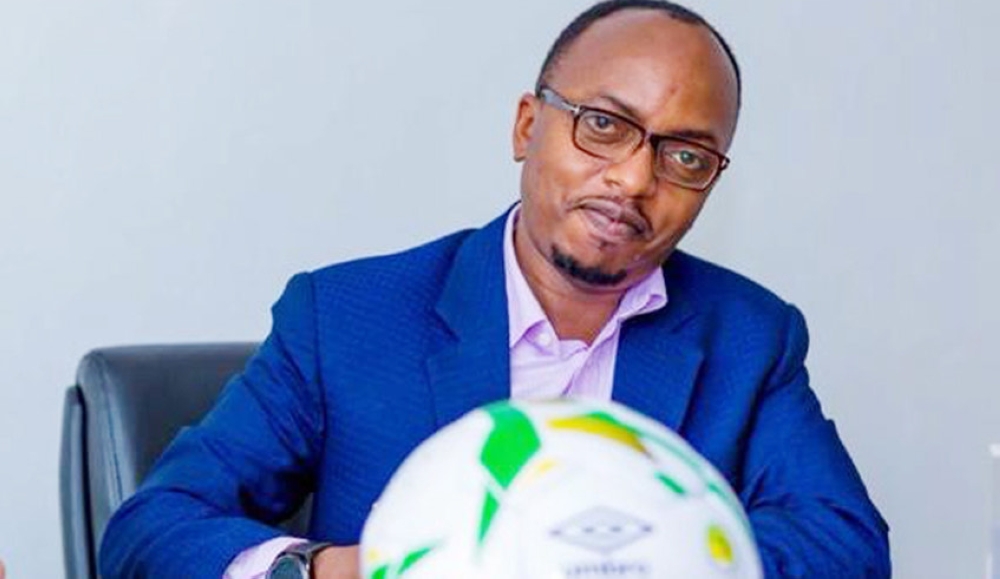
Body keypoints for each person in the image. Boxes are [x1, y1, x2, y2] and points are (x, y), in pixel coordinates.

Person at [99, 1, 891, 577]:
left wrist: (653, 549)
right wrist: (338, 568)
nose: (633, 179)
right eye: (604, 125)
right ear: (526, 126)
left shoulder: (749, 336)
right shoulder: (343, 318)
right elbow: (152, 528)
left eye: (686, 156)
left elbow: (847, 543)